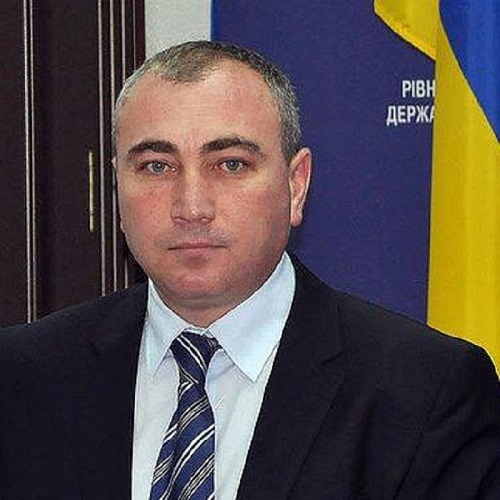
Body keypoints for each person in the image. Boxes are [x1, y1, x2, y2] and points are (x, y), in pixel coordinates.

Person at [0, 41, 499, 500]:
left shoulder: (425, 392)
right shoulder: (23, 377)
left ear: (296, 185)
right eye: (156, 166)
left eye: (231, 164)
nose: (191, 207)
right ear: (118, 187)